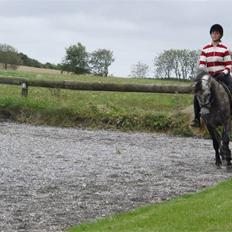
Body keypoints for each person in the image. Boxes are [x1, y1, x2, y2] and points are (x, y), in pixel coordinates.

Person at [190, 24, 232, 127]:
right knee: (198, 92)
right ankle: (196, 119)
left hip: (222, 75)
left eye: (217, 33)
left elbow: (229, 64)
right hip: (209, 76)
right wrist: (204, 73)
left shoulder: (224, 48)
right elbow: (202, 64)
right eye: (213, 33)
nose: (214, 35)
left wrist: (224, 73)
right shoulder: (205, 48)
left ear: (220, 35)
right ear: (211, 34)